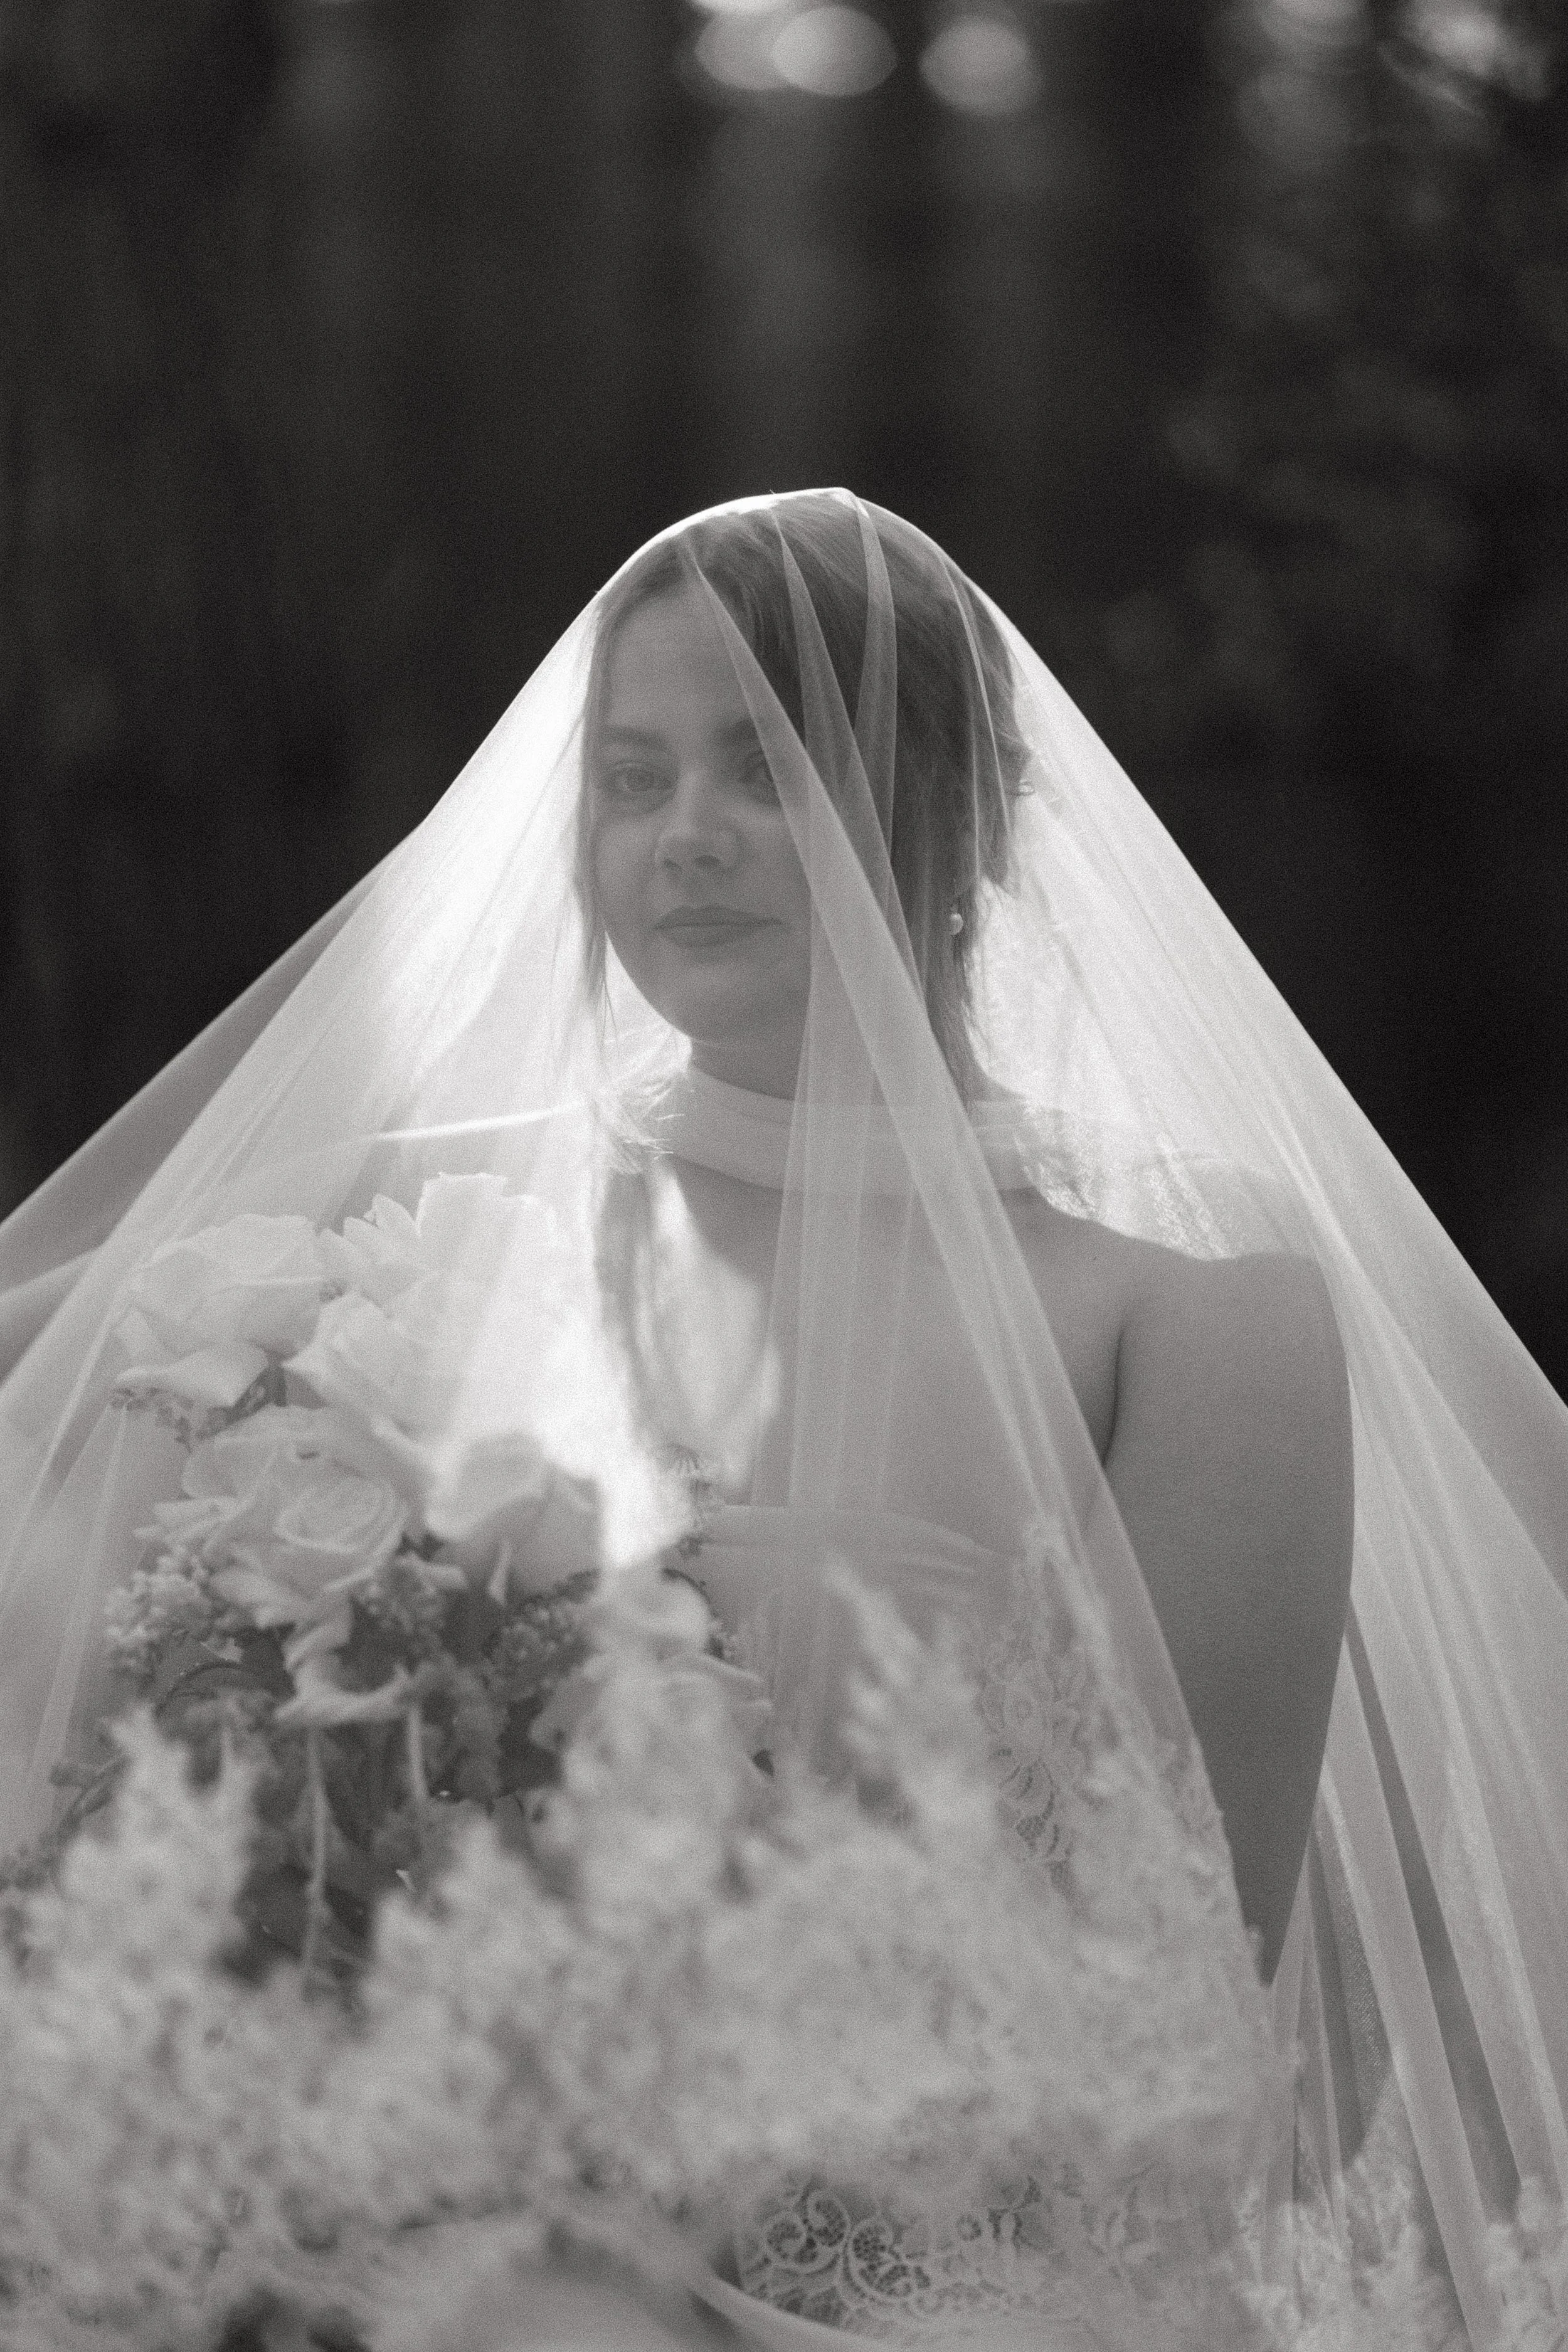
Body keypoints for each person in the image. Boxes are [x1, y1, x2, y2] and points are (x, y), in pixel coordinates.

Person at [1, 492, 1565, 2348]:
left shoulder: (1189, 1317)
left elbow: (1169, 1997)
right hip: (403, 2241)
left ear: (959, 822)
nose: (683, 842)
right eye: (634, 776)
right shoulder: (397, 1234)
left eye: (770, 773)